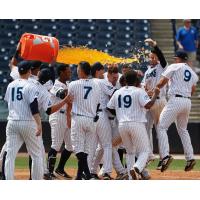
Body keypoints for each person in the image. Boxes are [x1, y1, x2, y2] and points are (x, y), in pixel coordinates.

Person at [107, 70, 160, 179]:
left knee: (130, 152)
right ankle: (136, 167)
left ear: (125, 80)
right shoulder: (139, 91)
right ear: (136, 80)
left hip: (122, 124)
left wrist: (120, 113)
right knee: (145, 150)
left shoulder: (118, 91)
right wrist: (155, 95)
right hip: (136, 123)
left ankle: (131, 178)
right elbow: (148, 105)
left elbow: (109, 107)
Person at [155, 50, 199, 172]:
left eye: (176, 58)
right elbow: (193, 90)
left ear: (178, 58)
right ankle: (190, 158)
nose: (175, 60)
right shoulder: (192, 72)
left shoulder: (174, 66)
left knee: (161, 127)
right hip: (187, 101)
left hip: (176, 100)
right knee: (183, 130)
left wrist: (156, 88)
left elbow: (162, 82)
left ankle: (165, 156)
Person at [4, 61, 43, 180]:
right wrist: (39, 124)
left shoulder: (11, 85)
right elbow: (34, 107)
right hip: (27, 122)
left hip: (12, 122)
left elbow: (8, 101)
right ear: (30, 71)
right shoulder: (31, 85)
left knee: (10, 155)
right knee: (36, 155)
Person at [67, 61, 101, 180]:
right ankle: (78, 176)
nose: (76, 70)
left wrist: (67, 117)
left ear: (81, 70)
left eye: (78, 68)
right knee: (86, 151)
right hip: (92, 120)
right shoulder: (97, 85)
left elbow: (69, 101)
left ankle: (87, 175)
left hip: (78, 118)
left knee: (78, 150)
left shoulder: (73, 84)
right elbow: (98, 103)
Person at [142, 38, 168, 169]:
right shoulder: (147, 71)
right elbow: (143, 86)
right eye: (150, 57)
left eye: (153, 57)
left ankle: (164, 157)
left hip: (159, 101)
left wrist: (155, 46)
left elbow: (163, 58)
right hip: (149, 102)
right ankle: (149, 155)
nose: (151, 59)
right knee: (146, 127)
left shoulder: (161, 67)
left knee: (159, 129)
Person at [47, 63, 73, 179]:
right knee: (56, 145)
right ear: (61, 72)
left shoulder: (67, 83)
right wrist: (74, 89)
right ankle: (49, 172)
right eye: (68, 71)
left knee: (71, 146)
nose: (70, 73)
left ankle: (60, 168)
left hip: (66, 116)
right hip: (57, 116)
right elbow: (63, 95)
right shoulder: (55, 85)